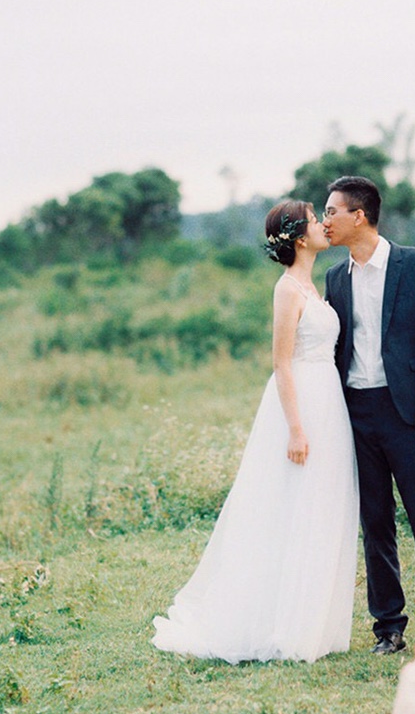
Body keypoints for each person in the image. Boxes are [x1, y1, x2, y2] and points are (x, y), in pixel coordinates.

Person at [152, 200, 359, 664]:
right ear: (300, 238)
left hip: (329, 400)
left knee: (320, 504)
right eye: (316, 220)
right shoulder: (287, 290)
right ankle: (277, 622)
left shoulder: (316, 285)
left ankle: (311, 621)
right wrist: (296, 430)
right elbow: (281, 363)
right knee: (290, 504)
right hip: (301, 402)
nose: (324, 225)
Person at [323, 176, 415, 658]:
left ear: (359, 215)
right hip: (356, 413)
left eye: (332, 212)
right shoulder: (335, 278)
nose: (326, 221)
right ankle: (388, 627)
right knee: (375, 523)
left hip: (407, 413)